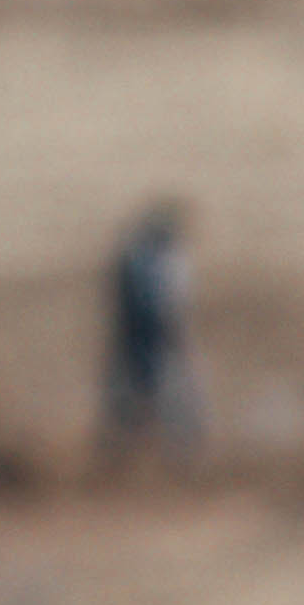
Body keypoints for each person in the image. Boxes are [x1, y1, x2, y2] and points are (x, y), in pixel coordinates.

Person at [97, 197, 208, 470]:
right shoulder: (148, 259)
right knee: (146, 396)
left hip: (152, 340)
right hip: (146, 339)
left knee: (160, 396)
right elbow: (152, 307)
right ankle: (130, 455)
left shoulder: (151, 258)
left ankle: (174, 455)